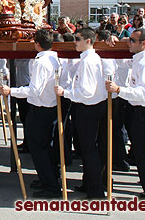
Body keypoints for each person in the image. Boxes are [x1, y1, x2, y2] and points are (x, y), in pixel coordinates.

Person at [106, 29, 145, 200]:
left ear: (144, 43)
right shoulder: (139, 59)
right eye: (129, 40)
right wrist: (114, 40)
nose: (129, 43)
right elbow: (122, 63)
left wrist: (119, 89)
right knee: (143, 151)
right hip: (141, 109)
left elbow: (142, 92)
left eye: (132, 41)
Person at [1, 29, 61, 198]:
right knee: (45, 146)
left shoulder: (41, 62)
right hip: (48, 106)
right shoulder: (53, 59)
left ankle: (51, 185)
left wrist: (11, 91)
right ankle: (48, 178)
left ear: (37, 44)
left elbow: (34, 90)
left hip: (41, 107)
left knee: (38, 147)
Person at [55, 27, 106, 199]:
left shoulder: (88, 61)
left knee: (89, 150)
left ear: (88, 41)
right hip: (92, 106)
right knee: (89, 150)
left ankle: (95, 190)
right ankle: (90, 185)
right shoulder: (89, 59)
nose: (74, 42)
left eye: (77, 39)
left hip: (88, 107)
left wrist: (65, 93)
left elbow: (86, 91)